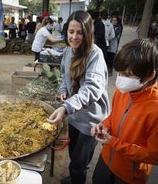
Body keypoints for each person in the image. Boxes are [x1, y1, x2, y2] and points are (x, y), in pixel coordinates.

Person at [47, 10, 110, 184]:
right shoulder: (68, 51)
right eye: (71, 31)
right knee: (73, 154)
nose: (74, 37)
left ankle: (77, 179)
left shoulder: (95, 55)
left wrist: (66, 107)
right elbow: (63, 75)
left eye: (80, 32)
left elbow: (92, 89)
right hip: (74, 115)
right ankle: (75, 177)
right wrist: (63, 90)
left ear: (88, 33)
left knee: (78, 163)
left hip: (91, 121)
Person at [91, 38, 158, 184]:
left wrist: (115, 143)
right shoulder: (124, 90)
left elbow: (154, 155)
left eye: (127, 75)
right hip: (106, 159)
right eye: (119, 73)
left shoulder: (155, 109)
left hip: (129, 174)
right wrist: (104, 125)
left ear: (150, 76)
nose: (120, 79)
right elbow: (114, 116)